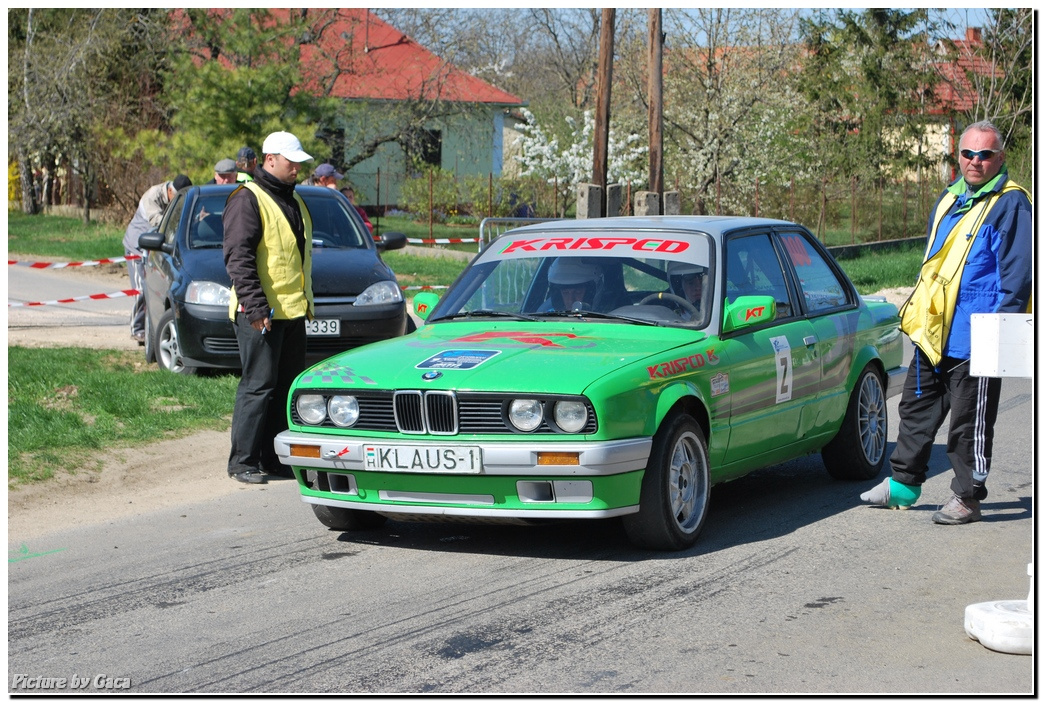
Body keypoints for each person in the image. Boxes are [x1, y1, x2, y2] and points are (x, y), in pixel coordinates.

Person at [861, 120, 1032, 524]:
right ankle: (903, 483)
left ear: (1000, 158)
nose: (976, 161)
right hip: (935, 329)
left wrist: (1001, 336)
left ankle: (967, 498)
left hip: (979, 335)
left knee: (968, 423)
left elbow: (1019, 274)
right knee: (916, 409)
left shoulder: (1011, 204)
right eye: (969, 153)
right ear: (958, 156)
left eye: (985, 154)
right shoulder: (949, 198)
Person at [223, 131, 315, 485]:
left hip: (292, 310)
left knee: (285, 386)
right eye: (291, 162)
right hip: (260, 312)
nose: (296, 168)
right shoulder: (247, 199)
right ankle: (242, 461)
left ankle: (273, 459)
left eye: (298, 163)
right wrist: (255, 306)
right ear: (270, 159)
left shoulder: (293, 199)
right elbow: (238, 257)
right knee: (258, 386)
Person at [123, 174, 192, 343]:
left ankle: (150, 328)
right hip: (136, 247)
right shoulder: (152, 196)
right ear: (170, 191)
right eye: (176, 197)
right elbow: (158, 222)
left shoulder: (173, 197)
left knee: (154, 290)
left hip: (154, 250)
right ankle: (137, 328)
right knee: (140, 290)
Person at [538, 258, 604, 313]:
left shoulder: (612, 316)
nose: (570, 300)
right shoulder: (544, 315)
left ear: (592, 292)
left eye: (578, 292)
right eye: (565, 293)